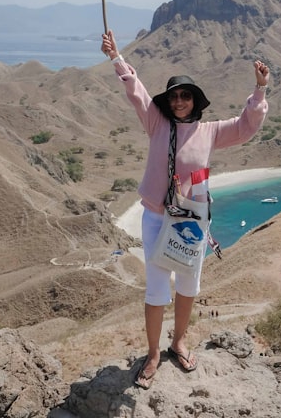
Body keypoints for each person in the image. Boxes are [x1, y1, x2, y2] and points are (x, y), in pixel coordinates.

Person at [100, 30, 270, 389]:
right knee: (157, 288)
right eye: (174, 96)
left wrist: (260, 89)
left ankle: (178, 341)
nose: (179, 101)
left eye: (185, 96)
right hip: (157, 218)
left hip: (191, 221)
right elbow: (137, 93)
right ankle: (152, 353)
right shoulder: (157, 123)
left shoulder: (210, 132)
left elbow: (246, 126)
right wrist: (117, 58)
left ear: (195, 101)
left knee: (189, 285)